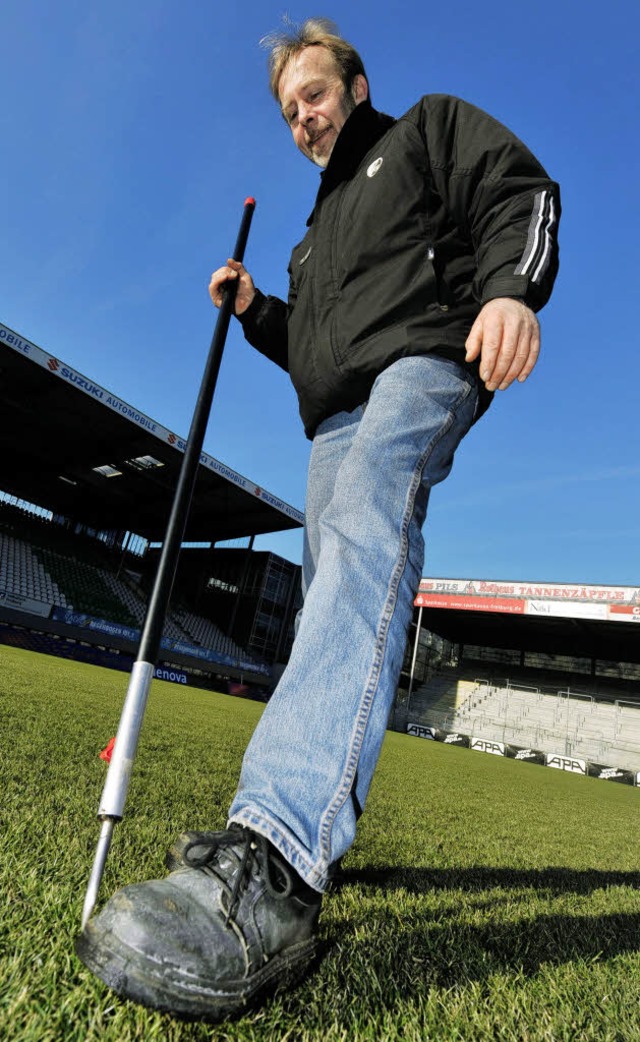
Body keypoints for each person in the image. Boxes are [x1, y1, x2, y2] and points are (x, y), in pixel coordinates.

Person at [76, 18, 560, 1021]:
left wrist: (512, 291)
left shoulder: (421, 131)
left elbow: (520, 189)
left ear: (353, 84)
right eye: (290, 106)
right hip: (333, 415)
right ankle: (311, 819)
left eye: (315, 92)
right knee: (336, 591)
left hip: (426, 363)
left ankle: (278, 856)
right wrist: (258, 310)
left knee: (361, 542)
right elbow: (312, 350)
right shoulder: (306, 240)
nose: (304, 115)